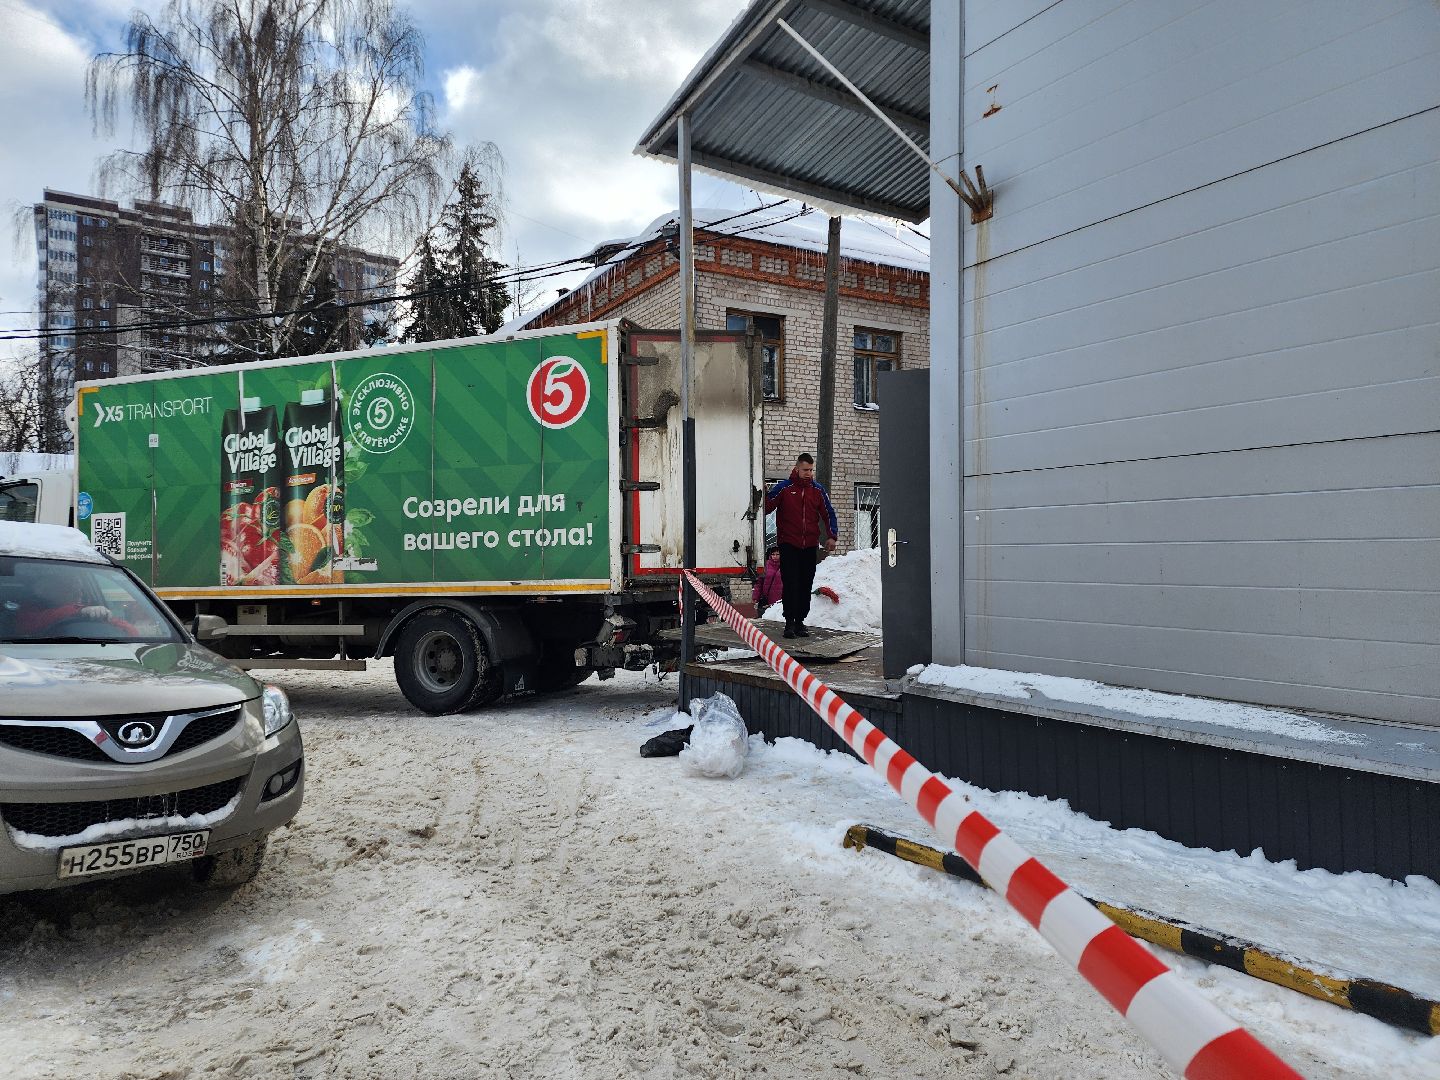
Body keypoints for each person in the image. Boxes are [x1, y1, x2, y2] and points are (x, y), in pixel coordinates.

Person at [763, 452, 838, 639]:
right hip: (788, 544)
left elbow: (829, 513)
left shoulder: (818, 490)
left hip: (810, 545)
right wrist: (763, 493)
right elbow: (767, 507)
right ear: (797, 469)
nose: (808, 473)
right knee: (791, 583)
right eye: (805, 470)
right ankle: (789, 623)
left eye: (811, 470)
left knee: (806, 584)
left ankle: (800, 622)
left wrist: (832, 536)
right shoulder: (784, 488)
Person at [14, 564, 134, 637]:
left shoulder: (88, 608)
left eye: (80, 587)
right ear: (47, 592)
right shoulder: (30, 609)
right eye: (70, 587)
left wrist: (102, 616)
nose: (78, 592)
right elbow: (28, 624)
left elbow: (131, 631)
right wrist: (78, 611)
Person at [752, 545, 783, 616]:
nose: (775, 556)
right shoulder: (766, 566)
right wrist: (756, 596)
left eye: (777, 554)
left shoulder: (786, 566)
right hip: (768, 599)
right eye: (773, 554)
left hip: (780, 600)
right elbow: (759, 583)